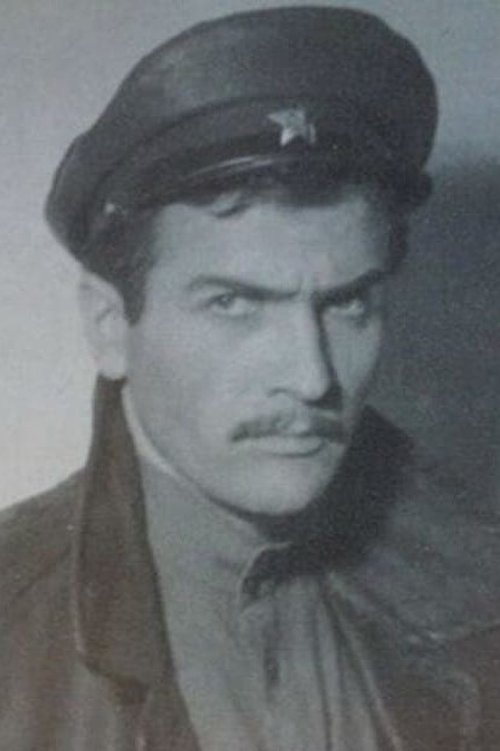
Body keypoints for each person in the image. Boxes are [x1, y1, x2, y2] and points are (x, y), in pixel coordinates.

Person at [1, 6, 500, 750]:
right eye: (234, 304)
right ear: (110, 325)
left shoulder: (484, 578)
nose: (312, 376)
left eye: (346, 304)